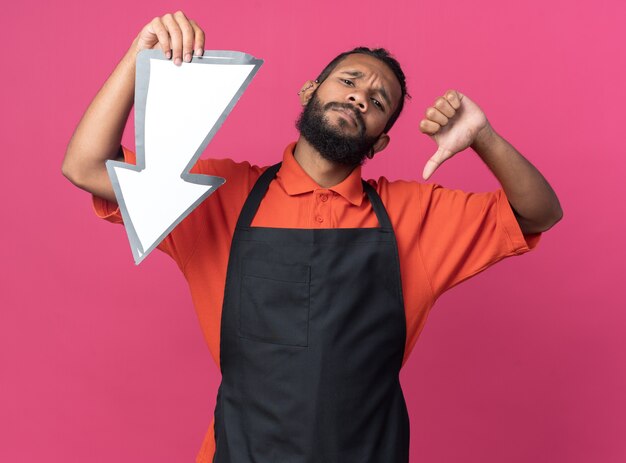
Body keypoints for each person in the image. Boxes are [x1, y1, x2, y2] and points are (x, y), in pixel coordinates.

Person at [62, 10, 562, 463]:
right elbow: (84, 166)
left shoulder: (416, 214)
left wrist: (484, 137)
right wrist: (137, 56)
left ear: (382, 139)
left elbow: (539, 213)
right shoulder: (216, 195)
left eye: (377, 100)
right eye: (349, 80)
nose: (359, 97)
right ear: (308, 92)